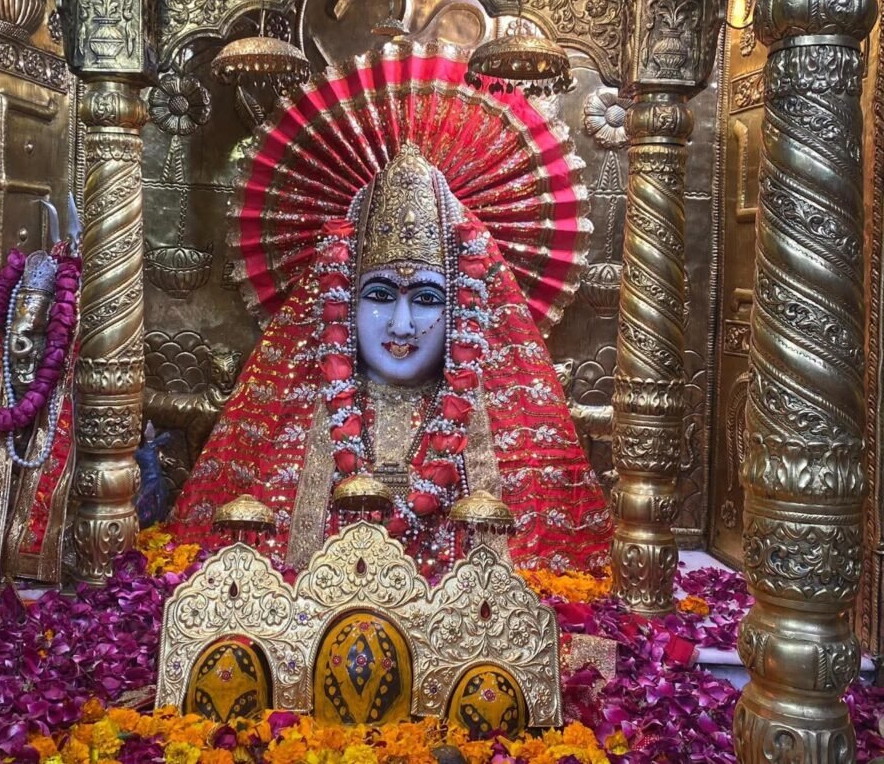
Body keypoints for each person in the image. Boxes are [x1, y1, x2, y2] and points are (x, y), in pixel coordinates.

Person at [169, 45, 612, 579]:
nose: (401, 327)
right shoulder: (291, 431)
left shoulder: (501, 439)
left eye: (426, 299)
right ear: (339, 300)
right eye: (379, 296)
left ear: (465, 308)